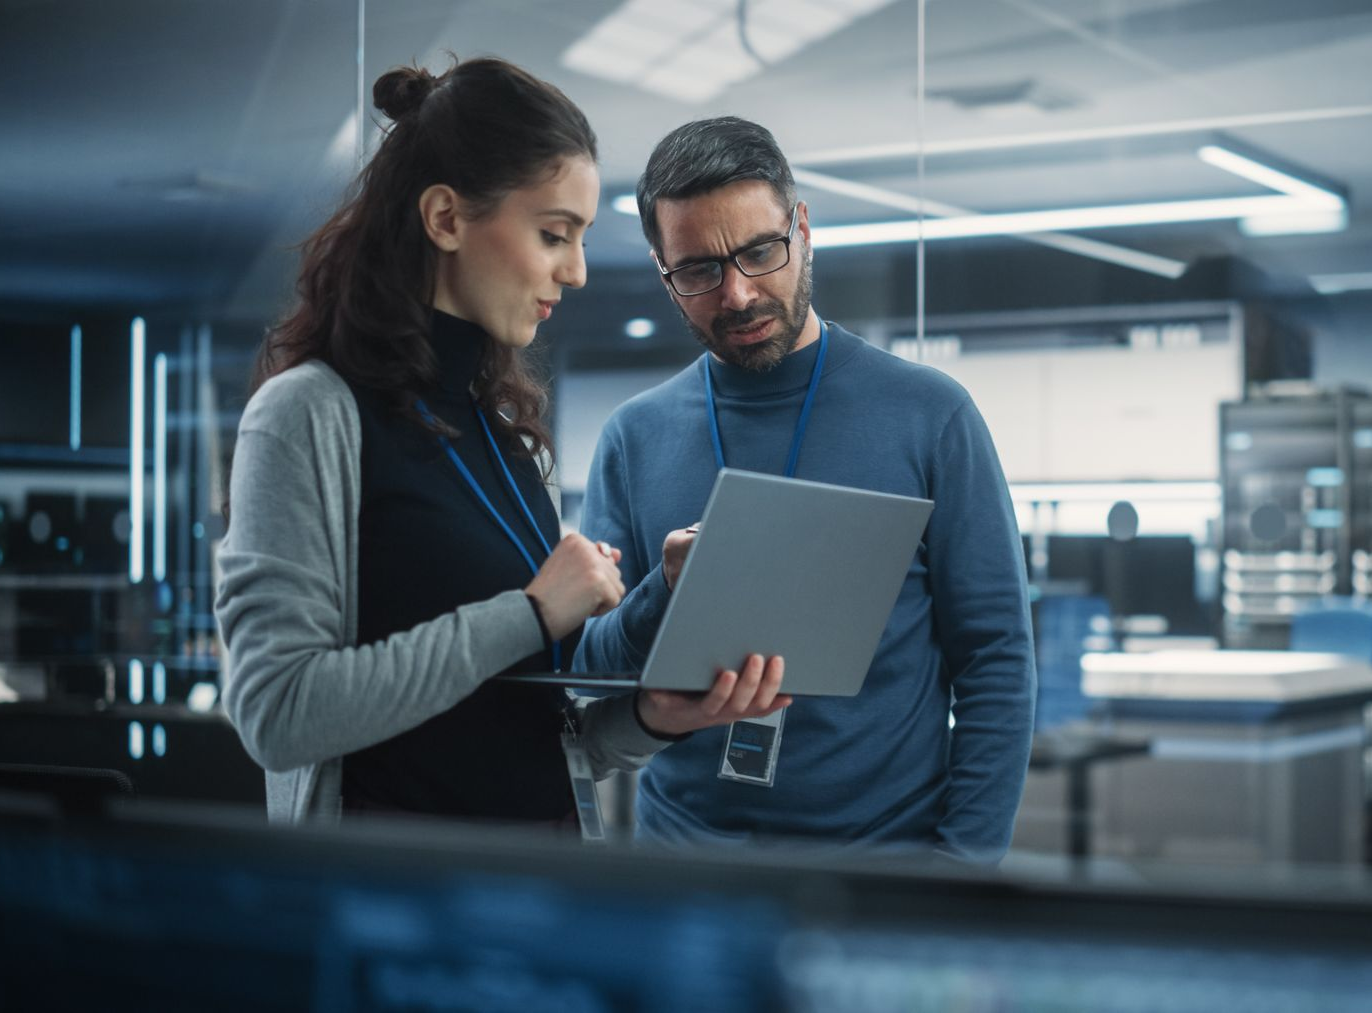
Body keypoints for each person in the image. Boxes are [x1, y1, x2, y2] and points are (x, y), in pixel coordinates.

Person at [215, 62, 789, 827]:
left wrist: (653, 716)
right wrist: (527, 614)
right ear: (446, 218)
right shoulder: (307, 416)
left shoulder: (510, 438)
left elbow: (537, 736)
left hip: (535, 894)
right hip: (386, 912)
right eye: (554, 234)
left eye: (580, 239)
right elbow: (276, 714)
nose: (577, 271)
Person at [574, 117, 1035, 862]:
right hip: (687, 869)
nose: (737, 293)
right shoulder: (635, 437)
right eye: (697, 270)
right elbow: (593, 669)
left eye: (760, 251)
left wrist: (964, 866)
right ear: (662, 271)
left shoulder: (929, 414)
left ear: (803, 229)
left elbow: (995, 658)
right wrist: (664, 588)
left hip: (885, 869)